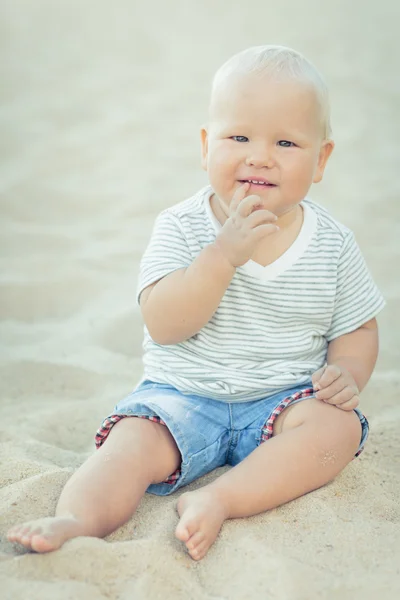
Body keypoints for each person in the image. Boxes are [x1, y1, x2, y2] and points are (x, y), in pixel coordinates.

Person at [8, 45, 385, 561]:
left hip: (281, 401)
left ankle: (219, 498)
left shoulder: (333, 244)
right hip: (182, 396)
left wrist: (347, 370)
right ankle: (77, 518)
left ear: (321, 159)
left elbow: (358, 328)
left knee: (336, 429)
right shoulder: (181, 226)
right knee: (131, 444)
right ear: (207, 147)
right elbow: (164, 324)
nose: (259, 155)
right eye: (239, 137)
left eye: (286, 141)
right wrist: (220, 258)